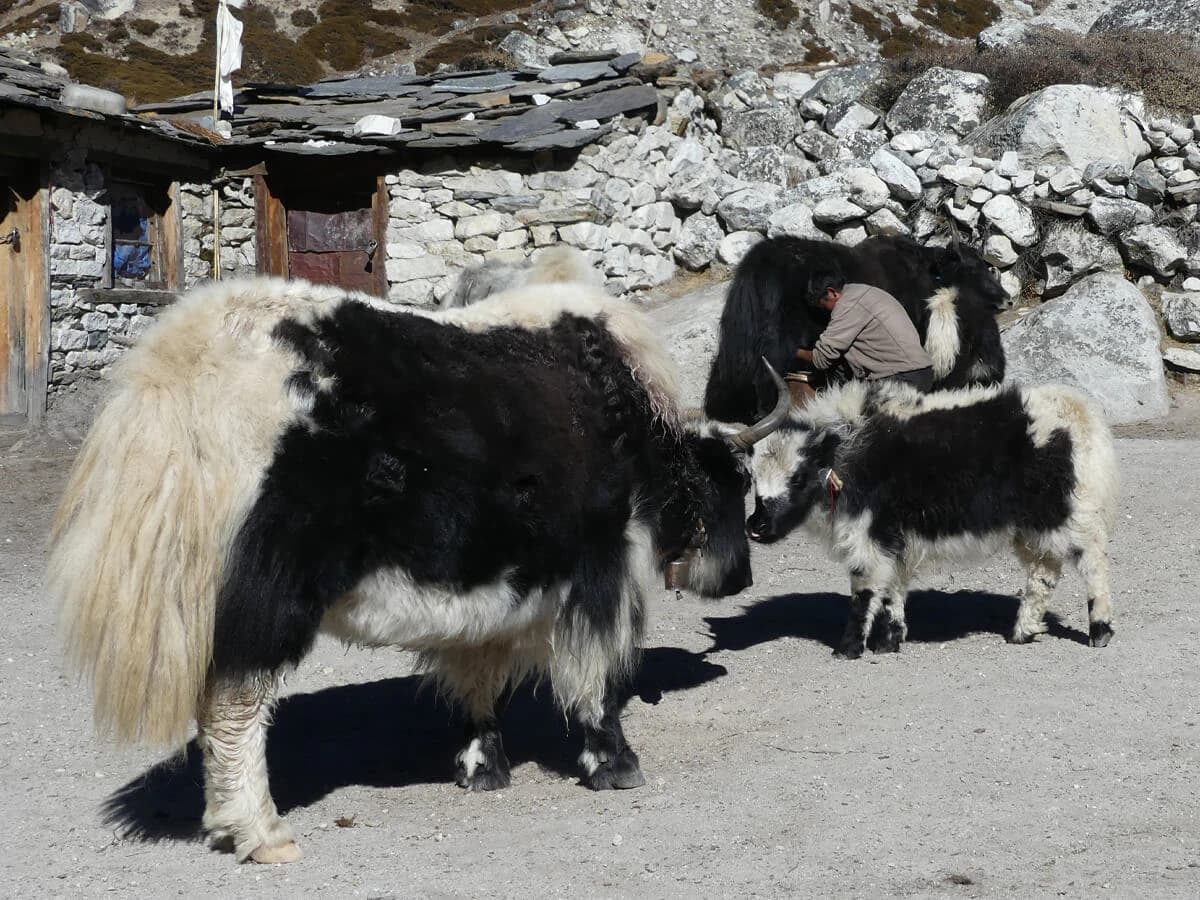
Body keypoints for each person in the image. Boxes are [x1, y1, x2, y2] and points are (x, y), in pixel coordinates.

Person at [794, 265, 935, 392]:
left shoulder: (847, 305)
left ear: (832, 293)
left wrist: (792, 350)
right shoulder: (861, 291)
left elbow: (821, 358)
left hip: (902, 379)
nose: (825, 311)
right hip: (919, 372)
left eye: (823, 305)